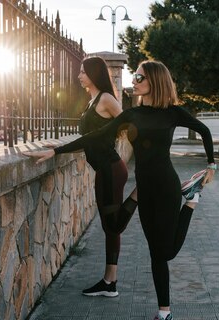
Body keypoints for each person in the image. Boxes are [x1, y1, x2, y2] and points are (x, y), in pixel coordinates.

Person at [23, 60, 216, 320]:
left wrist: (212, 165)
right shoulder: (133, 115)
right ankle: (165, 316)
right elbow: (94, 136)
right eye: (135, 76)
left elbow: (205, 131)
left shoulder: (173, 113)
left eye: (139, 77)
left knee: (167, 253)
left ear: (155, 82)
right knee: (155, 254)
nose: (134, 80)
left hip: (165, 186)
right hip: (145, 188)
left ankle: (191, 200)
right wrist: (55, 151)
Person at [24, 56, 138, 298]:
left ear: (94, 74)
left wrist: (141, 151)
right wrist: (54, 151)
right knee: (110, 227)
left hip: (112, 169)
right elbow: (88, 142)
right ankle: (110, 281)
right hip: (104, 170)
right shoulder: (92, 101)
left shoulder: (106, 99)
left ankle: (139, 194)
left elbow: (130, 125)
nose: (79, 76)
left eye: (83, 71)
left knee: (112, 226)